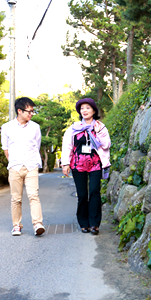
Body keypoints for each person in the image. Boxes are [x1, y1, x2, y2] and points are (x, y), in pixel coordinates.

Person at [61, 98, 111, 235]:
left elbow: (107, 145)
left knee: (94, 192)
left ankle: (94, 224)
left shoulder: (101, 127)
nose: (84, 110)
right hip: (78, 164)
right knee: (82, 195)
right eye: (82, 108)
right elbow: (67, 146)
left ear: (94, 111)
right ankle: (84, 223)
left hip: (95, 163)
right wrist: (65, 164)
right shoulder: (74, 128)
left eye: (88, 108)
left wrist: (97, 132)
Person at [1, 97, 46, 236]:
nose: (31, 114)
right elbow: (6, 149)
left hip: (31, 166)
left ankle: (38, 224)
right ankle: (16, 225)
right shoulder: (6, 127)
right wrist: (14, 162)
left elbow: (36, 146)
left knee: (34, 195)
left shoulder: (35, 127)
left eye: (33, 111)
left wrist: (31, 161)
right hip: (15, 167)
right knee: (16, 198)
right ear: (19, 111)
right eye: (29, 111)